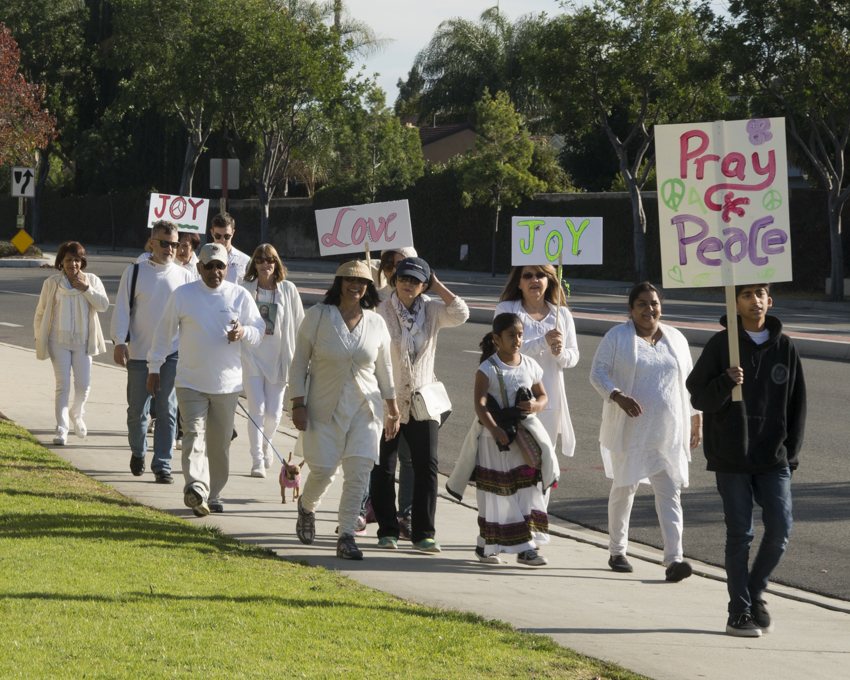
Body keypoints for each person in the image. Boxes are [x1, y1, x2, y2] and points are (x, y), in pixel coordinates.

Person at [687, 282, 806, 638]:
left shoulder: (785, 347)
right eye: (746, 294)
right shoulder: (722, 345)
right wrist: (725, 382)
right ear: (735, 302)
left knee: (781, 530)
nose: (755, 301)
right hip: (731, 456)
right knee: (740, 535)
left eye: (760, 294)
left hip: (773, 458)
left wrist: (790, 456)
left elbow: (797, 406)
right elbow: (698, 397)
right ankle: (738, 612)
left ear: (770, 301)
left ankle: (753, 592)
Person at [589, 282, 700, 582]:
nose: (649, 309)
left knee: (670, 492)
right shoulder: (617, 337)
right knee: (625, 489)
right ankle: (617, 550)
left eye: (654, 303)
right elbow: (597, 373)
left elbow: (689, 382)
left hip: (667, 433)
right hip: (630, 431)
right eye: (642, 303)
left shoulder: (676, 338)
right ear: (630, 308)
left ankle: (674, 560)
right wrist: (617, 396)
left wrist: (696, 418)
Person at [289, 260, 399, 560]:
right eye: (349, 279)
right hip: (323, 407)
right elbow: (299, 364)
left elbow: (385, 368)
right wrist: (297, 403)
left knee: (359, 473)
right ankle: (307, 507)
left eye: (362, 281)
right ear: (338, 282)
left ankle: (347, 534)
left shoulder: (375, 322)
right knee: (323, 470)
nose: (355, 285)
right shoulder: (318, 316)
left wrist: (392, 409)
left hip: (366, 409)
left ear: (369, 287)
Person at [146, 243, 265, 516]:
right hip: (190, 382)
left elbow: (259, 331)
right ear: (198, 267)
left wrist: (244, 332)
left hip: (227, 385)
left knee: (219, 444)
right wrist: (154, 367)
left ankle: (215, 493)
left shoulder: (239, 296)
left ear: (227, 268)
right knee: (193, 436)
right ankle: (196, 489)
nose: (214, 271)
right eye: (209, 266)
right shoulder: (183, 295)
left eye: (220, 266)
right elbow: (163, 333)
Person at [370, 257, 469, 552]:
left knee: (427, 466)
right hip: (388, 402)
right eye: (403, 278)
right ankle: (388, 530)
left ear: (423, 284)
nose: (408, 284)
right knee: (383, 466)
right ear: (393, 280)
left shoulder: (432, 310)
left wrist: (437, 284)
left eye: (415, 280)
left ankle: (424, 533)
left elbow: (461, 312)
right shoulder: (380, 310)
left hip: (423, 403)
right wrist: (388, 406)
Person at [446, 313, 559, 566]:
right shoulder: (487, 368)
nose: (517, 340)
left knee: (527, 490)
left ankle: (527, 548)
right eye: (511, 335)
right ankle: (487, 546)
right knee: (497, 493)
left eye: (520, 335)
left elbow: (543, 396)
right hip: (493, 440)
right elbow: (480, 403)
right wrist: (494, 428)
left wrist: (535, 406)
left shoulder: (530, 365)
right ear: (497, 339)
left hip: (523, 437)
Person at [111, 220, 195, 482]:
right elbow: (122, 309)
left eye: (175, 244)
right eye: (165, 243)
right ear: (152, 243)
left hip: (172, 353)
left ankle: (162, 465)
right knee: (137, 412)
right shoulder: (135, 272)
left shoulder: (185, 276)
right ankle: (138, 452)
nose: (170, 248)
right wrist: (119, 342)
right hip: (139, 354)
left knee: (168, 409)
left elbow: (192, 316)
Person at [495, 265, 579, 461]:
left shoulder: (562, 314)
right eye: (528, 275)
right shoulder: (506, 309)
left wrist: (559, 353)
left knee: (543, 462)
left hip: (549, 401)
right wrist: (543, 342)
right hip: (512, 399)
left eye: (540, 275)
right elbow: (504, 349)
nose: (534, 280)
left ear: (548, 280)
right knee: (513, 462)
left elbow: (573, 357)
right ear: (519, 282)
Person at [34, 242, 110, 445]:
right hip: (57, 341)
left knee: (83, 386)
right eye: (68, 260)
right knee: (63, 385)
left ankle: (76, 414)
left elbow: (103, 305)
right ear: (61, 262)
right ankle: (61, 429)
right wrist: (38, 333)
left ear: (82, 262)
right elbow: (41, 312)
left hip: (83, 342)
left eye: (77, 260)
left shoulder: (91, 281)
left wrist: (86, 289)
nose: (73, 264)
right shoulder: (52, 283)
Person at [240, 244, 304, 477]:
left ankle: (266, 446)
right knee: (256, 408)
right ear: (254, 264)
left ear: (276, 263)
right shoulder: (245, 289)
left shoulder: (288, 289)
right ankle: (257, 459)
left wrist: (303, 358)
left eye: (270, 260)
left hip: (280, 358)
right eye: (260, 260)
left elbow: (300, 325)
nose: (265, 264)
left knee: (274, 413)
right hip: (252, 356)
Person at [210, 212, 251, 285]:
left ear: (233, 233)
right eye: (218, 236)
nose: (222, 240)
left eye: (226, 236)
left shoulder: (246, 261)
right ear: (212, 233)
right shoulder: (200, 259)